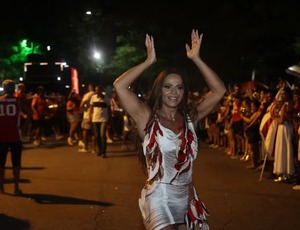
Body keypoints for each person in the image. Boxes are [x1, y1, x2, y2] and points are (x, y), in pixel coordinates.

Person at [113, 29, 226, 229]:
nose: (173, 92)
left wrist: (197, 59)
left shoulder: (191, 118)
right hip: (159, 197)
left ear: (184, 91)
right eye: (168, 87)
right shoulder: (147, 118)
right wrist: (148, 61)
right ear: (159, 89)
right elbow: (120, 86)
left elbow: (219, 91)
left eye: (179, 87)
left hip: (188, 196)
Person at [0, 79, 23, 195]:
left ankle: (1, 188)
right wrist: (25, 125)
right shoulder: (18, 100)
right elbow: (27, 112)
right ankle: (16, 187)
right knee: (16, 163)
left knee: (1, 163)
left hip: (1, 136)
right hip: (15, 135)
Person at [90, 85, 111, 157]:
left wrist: (109, 118)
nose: (97, 91)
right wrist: (90, 117)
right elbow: (91, 108)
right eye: (96, 90)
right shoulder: (93, 98)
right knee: (97, 135)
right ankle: (99, 150)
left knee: (102, 135)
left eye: (98, 90)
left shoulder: (106, 98)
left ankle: (104, 151)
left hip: (103, 119)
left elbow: (109, 109)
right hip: (95, 119)